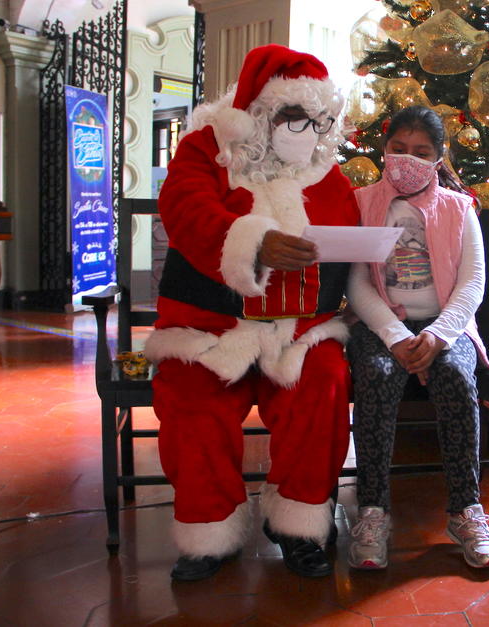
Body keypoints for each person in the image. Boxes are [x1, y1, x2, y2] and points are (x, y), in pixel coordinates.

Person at [143, 45, 359, 582]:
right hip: (210, 328)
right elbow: (185, 208)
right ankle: (208, 530)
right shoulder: (207, 148)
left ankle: (297, 525)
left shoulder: (327, 171)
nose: (306, 131)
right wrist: (252, 245)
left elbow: (348, 238)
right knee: (192, 400)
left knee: (325, 383)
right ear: (259, 110)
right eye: (294, 117)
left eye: (318, 121)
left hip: (298, 333)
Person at [346, 105, 489, 569]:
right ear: (384, 148)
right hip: (380, 327)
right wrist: (395, 336)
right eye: (398, 149)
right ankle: (373, 510)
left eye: (421, 152)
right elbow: (357, 283)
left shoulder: (459, 209)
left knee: (457, 379)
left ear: (439, 158)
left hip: (444, 325)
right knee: (375, 377)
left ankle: (466, 511)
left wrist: (437, 336)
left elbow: (472, 283)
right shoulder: (361, 202)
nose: (407, 159)